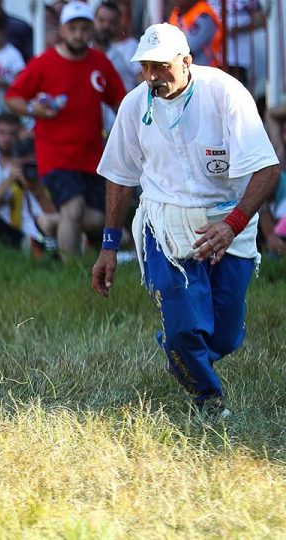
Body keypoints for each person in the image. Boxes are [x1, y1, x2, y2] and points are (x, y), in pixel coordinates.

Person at [90, 23, 280, 416]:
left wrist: (232, 224)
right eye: (146, 67)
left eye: (161, 66)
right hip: (164, 220)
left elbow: (267, 170)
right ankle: (209, 401)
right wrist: (108, 247)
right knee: (183, 325)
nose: (152, 77)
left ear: (187, 61)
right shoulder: (134, 104)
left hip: (229, 218)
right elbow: (120, 177)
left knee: (224, 335)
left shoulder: (225, 93)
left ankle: (181, 353)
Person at [5, 1, 126, 259]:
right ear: (62, 30)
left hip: (92, 156)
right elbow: (13, 96)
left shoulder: (100, 63)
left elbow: (121, 102)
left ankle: (46, 225)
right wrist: (32, 109)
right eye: (73, 29)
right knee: (74, 208)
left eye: (84, 29)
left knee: (97, 219)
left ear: (91, 31)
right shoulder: (44, 62)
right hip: (55, 155)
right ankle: (70, 271)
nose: (78, 34)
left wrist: (131, 134)